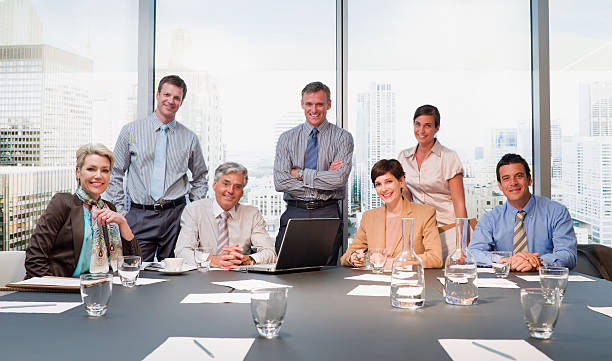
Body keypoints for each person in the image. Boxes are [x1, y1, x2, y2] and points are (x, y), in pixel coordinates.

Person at [105, 75, 208, 262]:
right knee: (134, 270)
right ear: (157, 95)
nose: (171, 100)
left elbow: (200, 177)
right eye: (167, 94)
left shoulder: (190, 138)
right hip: (139, 214)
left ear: (181, 102)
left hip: (176, 216)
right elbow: (116, 172)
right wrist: (120, 211)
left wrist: (192, 212)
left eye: (177, 97)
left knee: (176, 276)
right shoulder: (130, 131)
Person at [25, 144, 141, 278]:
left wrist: (122, 223)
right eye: (91, 169)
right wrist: (60, 290)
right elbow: (34, 259)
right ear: (78, 172)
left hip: (96, 288)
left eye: (105, 170)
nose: (98, 176)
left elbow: (133, 264)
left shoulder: (109, 209)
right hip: (58, 288)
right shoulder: (62, 203)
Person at [274, 81, 354, 265]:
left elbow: (338, 179)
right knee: (286, 271)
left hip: (327, 213)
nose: (314, 109)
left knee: (324, 276)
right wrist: (324, 177)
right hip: (295, 211)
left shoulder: (342, 137)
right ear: (302, 104)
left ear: (329, 104)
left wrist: (300, 173)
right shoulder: (287, 139)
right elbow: (281, 182)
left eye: (319, 104)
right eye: (309, 104)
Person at [468, 153, 577, 271]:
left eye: (519, 176)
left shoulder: (556, 212)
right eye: (506, 178)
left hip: (545, 282)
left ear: (529, 180)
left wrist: (538, 262)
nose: (513, 182)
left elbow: (568, 254)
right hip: (505, 283)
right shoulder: (490, 218)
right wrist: (506, 260)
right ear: (500, 185)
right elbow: (473, 253)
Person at [340, 159, 442, 268]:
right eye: (378, 184)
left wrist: (395, 262)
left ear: (401, 181)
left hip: (407, 281)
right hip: (374, 282)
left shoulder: (425, 214)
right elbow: (346, 257)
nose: (383, 189)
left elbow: (435, 258)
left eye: (389, 181)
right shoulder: (369, 217)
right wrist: (354, 257)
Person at [397, 104, 467, 261]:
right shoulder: (404, 157)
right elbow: (407, 194)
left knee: (449, 280)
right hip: (421, 232)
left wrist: (462, 246)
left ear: (437, 128)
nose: (421, 131)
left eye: (428, 126)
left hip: (447, 231)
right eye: (417, 124)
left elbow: (459, 204)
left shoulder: (449, 157)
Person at [174, 162, 276, 269]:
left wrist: (246, 260)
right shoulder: (194, 210)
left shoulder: (252, 214)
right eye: (226, 184)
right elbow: (182, 252)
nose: (231, 191)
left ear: (242, 193)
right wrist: (213, 260)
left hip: (239, 278)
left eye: (237, 187)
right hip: (203, 277)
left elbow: (270, 252)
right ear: (214, 185)